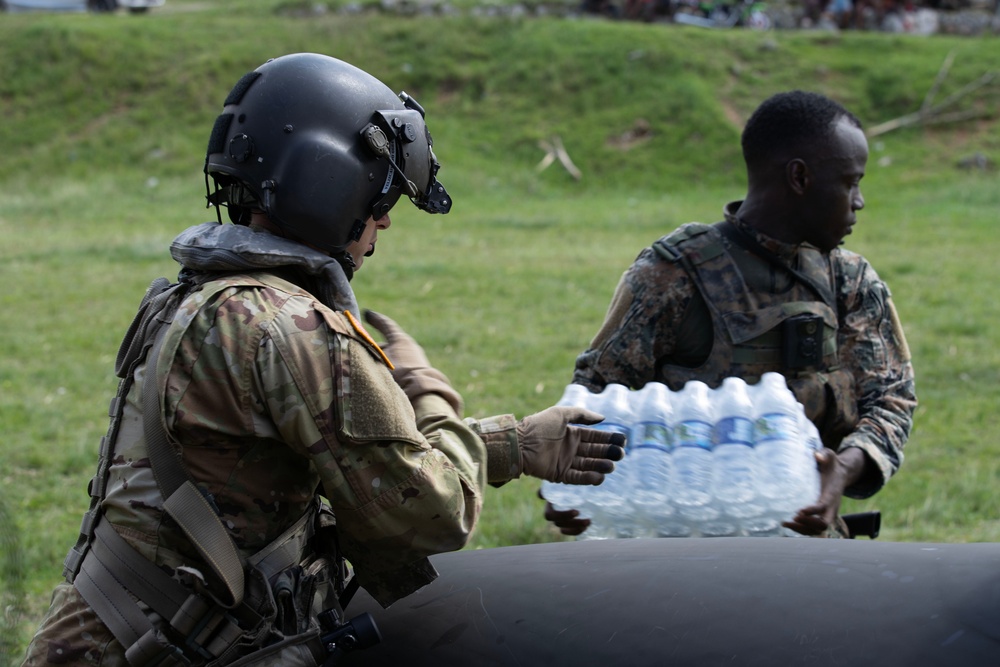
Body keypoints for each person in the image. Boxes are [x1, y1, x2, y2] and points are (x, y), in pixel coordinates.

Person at [22, 53, 624, 666]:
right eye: (378, 196)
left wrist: (506, 444)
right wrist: (439, 401)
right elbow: (429, 514)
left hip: (109, 633)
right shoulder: (294, 329)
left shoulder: (194, 296)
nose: (383, 220)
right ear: (327, 181)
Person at [545, 90, 916, 539]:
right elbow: (595, 396)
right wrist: (573, 483)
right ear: (799, 177)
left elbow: (891, 398)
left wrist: (843, 469)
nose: (858, 201)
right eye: (849, 182)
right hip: (684, 550)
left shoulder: (850, 280)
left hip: (807, 544)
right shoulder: (674, 274)